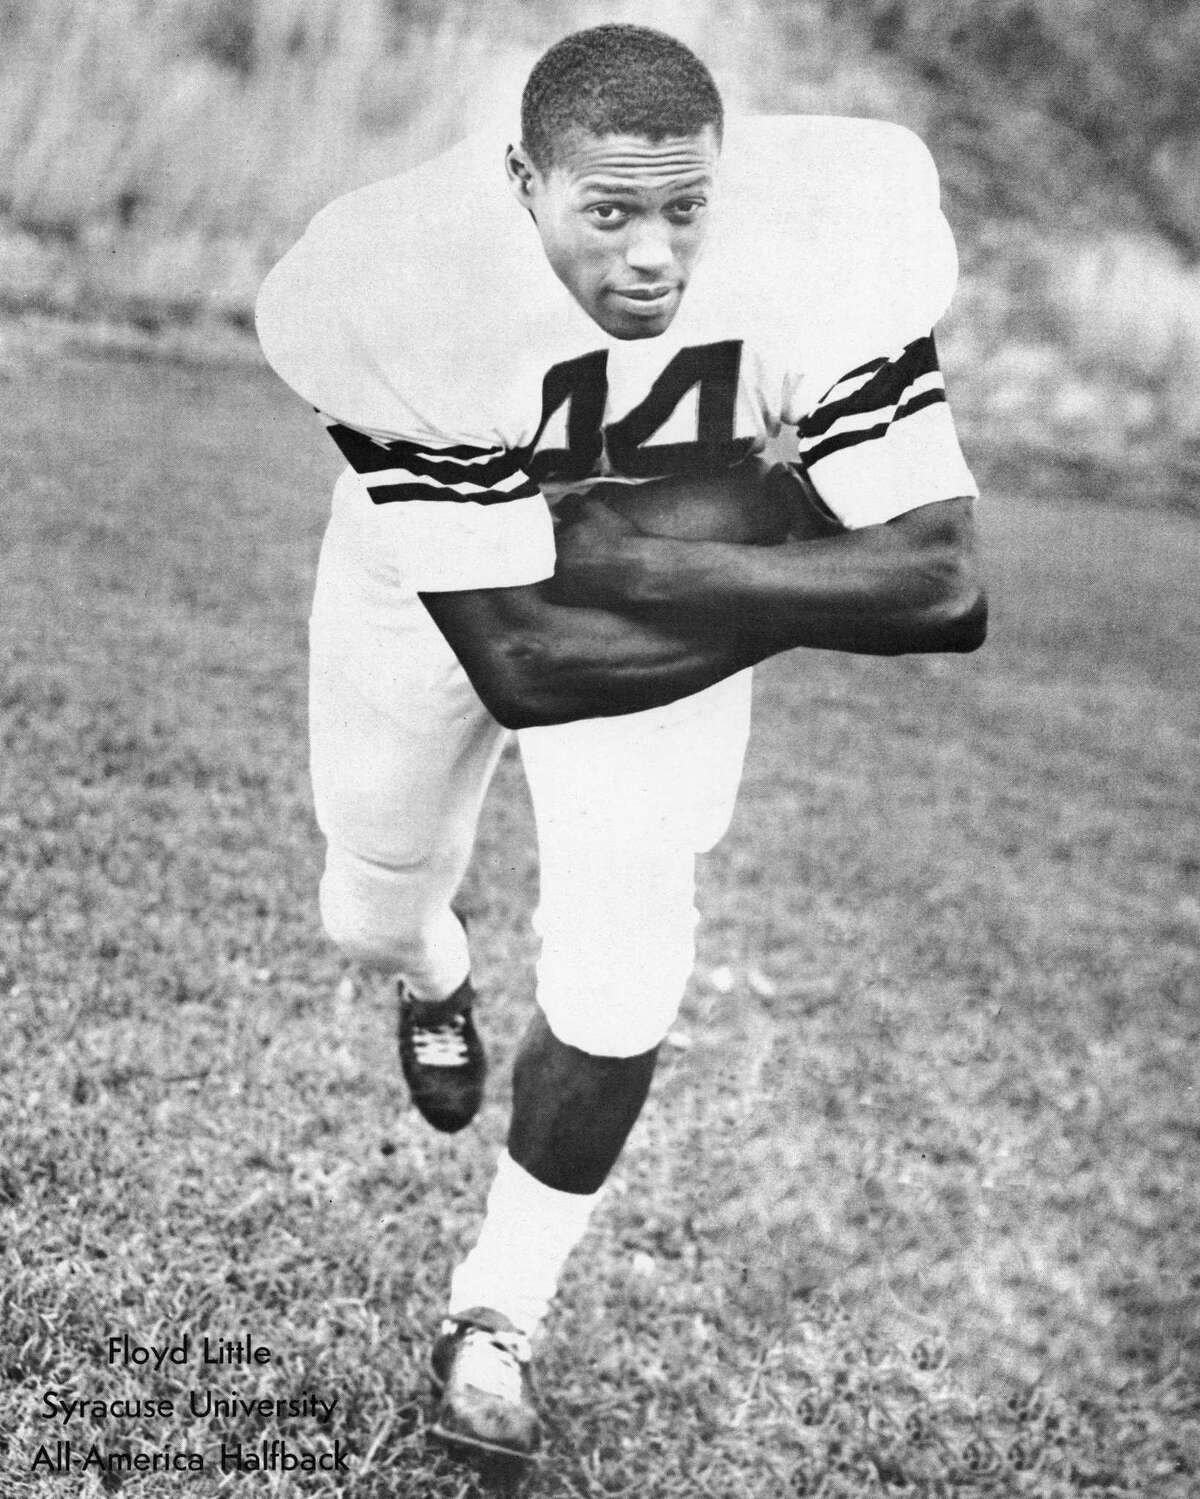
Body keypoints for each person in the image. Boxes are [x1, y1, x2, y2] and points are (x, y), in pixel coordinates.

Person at [256, 23, 986, 1463]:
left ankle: (498, 1315)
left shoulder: (830, 220)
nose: (654, 254)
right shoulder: (389, 276)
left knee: (629, 956)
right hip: (437, 582)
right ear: (523, 181)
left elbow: (947, 582)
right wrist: (800, 575)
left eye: (683, 207)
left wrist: (661, 573)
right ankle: (434, 971)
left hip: (661, 586)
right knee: (372, 895)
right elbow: (524, 662)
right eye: (608, 211)